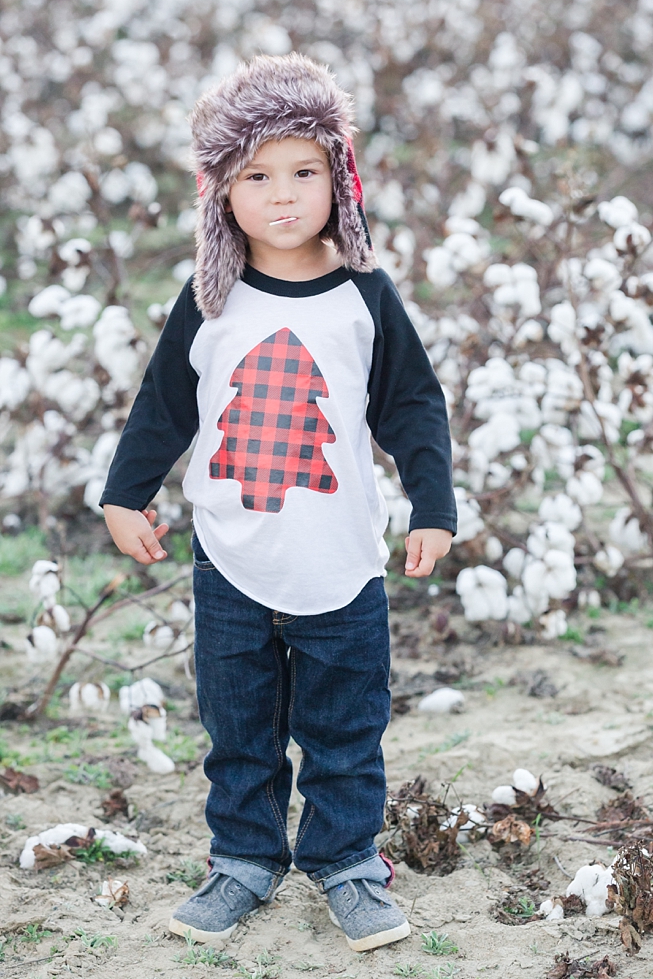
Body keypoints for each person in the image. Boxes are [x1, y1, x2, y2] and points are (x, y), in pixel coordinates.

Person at [100, 52, 457, 953]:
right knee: (238, 725)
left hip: (339, 558)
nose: (284, 195)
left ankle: (344, 861)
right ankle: (245, 859)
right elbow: (164, 405)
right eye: (256, 176)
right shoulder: (210, 299)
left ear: (339, 180)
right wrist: (124, 494)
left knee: (345, 724)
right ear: (220, 191)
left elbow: (411, 404)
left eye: (305, 172)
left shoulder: (363, 299)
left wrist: (432, 505)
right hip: (228, 555)